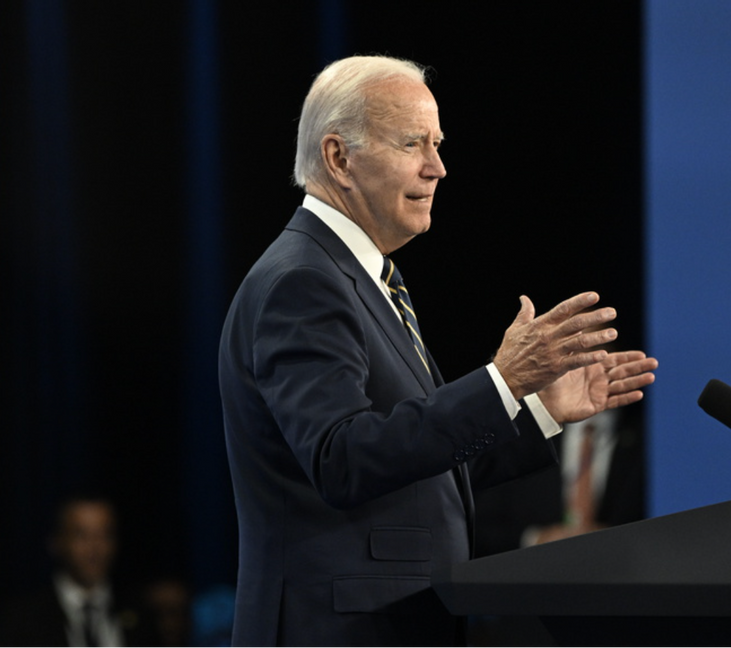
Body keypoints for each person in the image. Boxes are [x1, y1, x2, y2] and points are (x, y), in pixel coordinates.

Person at [218, 55, 657, 648]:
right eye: (413, 144)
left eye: (438, 143)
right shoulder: (304, 283)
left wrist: (537, 409)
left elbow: (419, 468)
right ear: (338, 157)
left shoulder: (361, 277)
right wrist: (499, 381)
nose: (438, 168)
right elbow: (342, 458)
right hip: (339, 629)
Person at [0, 497, 161, 648]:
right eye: (81, 535)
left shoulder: (141, 612)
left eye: (105, 535)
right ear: (56, 543)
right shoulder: (24, 619)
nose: (94, 548)